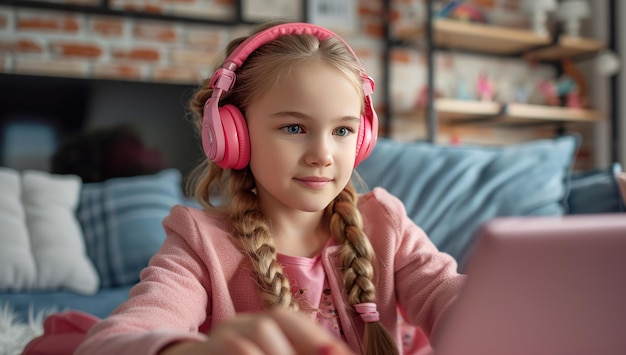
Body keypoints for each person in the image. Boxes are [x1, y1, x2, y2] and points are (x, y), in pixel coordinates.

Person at [74, 21, 465, 355]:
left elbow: (450, 296)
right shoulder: (200, 243)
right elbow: (115, 340)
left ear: (363, 139)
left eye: (343, 130)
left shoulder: (385, 222)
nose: (322, 154)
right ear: (233, 136)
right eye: (294, 128)